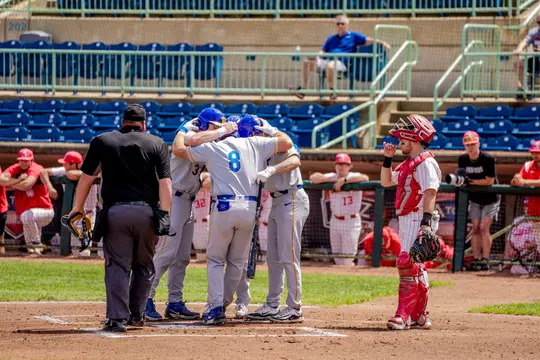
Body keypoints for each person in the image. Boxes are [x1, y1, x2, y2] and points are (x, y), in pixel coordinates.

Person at [173, 115, 293, 325]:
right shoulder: (257, 143)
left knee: (216, 260)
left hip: (224, 207)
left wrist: (183, 130)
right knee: (237, 261)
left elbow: (180, 150)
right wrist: (271, 128)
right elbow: (287, 142)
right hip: (249, 207)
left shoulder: (213, 147)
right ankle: (226, 302)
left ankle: (215, 307)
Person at [70, 104, 172, 332]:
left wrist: (78, 208)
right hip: (147, 213)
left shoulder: (102, 140)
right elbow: (165, 183)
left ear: (122, 122)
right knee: (144, 265)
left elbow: (86, 178)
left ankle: (117, 319)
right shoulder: (157, 143)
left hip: (115, 213)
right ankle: (137, 314)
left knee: (118, 265)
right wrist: (165, 215)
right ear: (144, 124)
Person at [145, 107, 231, 322]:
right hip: (173, 197)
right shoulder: (189, 131)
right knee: (165, 252)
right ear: (204, 124)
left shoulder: (204, 135)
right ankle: (142, 299)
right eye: (214, 127)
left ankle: (174, 302)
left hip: (188, 200)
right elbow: (187, 143)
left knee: (182, 257)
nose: (217, 131)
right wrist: (222, 131)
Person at [380, 114, 441, 331]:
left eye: (403, 139)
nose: (400, 142)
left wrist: (425, 223)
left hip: (418, 216)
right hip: (407, 217)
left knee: (406, 262)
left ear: (415, 137)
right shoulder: (408, 163)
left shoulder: (426, 162)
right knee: (416, 266)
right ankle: (419, 315)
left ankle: (403, 315)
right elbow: (386, 181)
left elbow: (430, 192)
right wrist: (388, 157)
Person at [244, 138, 309, 323]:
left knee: (289, 256)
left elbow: (295, 160)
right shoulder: (258, 150)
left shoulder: (282, 142)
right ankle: (272, 305)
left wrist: (272, 169)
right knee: (273, 258)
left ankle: (295, 307)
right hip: (276, 201)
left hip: (293, 197)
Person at [295, 14, 390, 100]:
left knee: (330, 65)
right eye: (338, 24)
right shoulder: (331, 38)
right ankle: (302, 90)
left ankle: (332, 91)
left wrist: (382, 42)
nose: (340, 26)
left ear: (347, 25)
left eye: (342, 24)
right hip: (328, 60)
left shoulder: (353, 36)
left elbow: (367, 40)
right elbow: (323, 51)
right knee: (306, 62)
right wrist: (317, 56)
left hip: (343, 63)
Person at [309, 153, 369, 266]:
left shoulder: (354, 176)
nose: (341, 167)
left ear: (350, 166)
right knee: (337, 258)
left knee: (347, 259)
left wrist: (345, 180)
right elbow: (313, 177)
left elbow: (365, 178)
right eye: (339, 164)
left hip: (351, 221)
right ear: (335, 165)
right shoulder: (332, 176)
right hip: (335, 220)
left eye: (344, 164)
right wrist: (327, 179)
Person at [40, 151, 100, 257]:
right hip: (74, 214)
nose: (63, 165)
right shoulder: (68, 169)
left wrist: (88, 173)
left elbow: (73, 174)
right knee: (76, 248)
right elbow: (43, 172)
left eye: (65, 163)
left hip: (88, 214)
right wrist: (50, 188)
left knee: (83, 249)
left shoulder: (91, 170)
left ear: (73, 164)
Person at [458, 130, 500, 271]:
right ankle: (477, 260)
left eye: (473, 144)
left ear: (478, 144)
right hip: (475, 198)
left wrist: (472, 182)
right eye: (467, 145)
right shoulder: (463, 159)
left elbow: (489, 181)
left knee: (484, 227)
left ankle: (485, 259)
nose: (470, 147)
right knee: (475, 228)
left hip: (491, 198)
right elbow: (462, 178)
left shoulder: (487, 158)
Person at [0, 148, 54, 255]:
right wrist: (18, 179)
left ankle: (37, 243)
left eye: (26, 160)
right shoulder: (15, 168)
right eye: (21, 160)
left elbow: (27, 185)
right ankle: (33, 250)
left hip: (45, 211)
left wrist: (10, 183)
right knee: (26, 220)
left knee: (26, 216)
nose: (23, 162)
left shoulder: (36, 168)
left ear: (32, 160)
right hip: (29, 213)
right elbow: (1, 180)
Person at [511, 139, 540, 236]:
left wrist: (524, 182)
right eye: (533, 153)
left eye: (538, 153)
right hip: (533, 209)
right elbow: (518, 180)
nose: (535, 155)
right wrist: (515, 180)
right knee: (538, 240)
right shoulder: (528, 165)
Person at [513, 14, 540, 100]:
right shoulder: (534, 31)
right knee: (518, 64)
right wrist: (519, 49)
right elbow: (525, 41)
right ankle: (524, 90)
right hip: (536, 60)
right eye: (539, 22)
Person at [192, 172, 212, 262]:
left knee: (209, 255)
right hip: (195, 222)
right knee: (200, 256)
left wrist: (195, 183)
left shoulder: (207, 176)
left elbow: (207, 183)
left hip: (206, 220)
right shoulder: (189, 176)